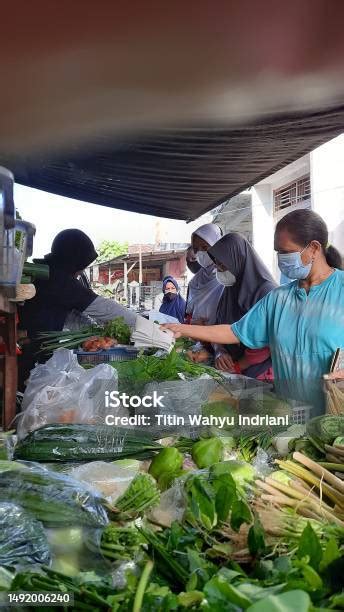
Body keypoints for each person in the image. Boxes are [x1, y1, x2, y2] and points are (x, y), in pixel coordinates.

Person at [163, 210, 344, 415]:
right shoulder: (279, 298)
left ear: (313, 248)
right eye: (278, 252)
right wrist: (182, 329)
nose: (281, 259)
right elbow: (234, 332)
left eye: (286, 252)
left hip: (335, 421)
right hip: (291, 416)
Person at [18, 229, 138, 388]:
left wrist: (95, 331)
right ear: (73, 259)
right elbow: (103, 308)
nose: (81, 271)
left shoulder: (49, 272)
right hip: (35, 359)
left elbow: (73, 315)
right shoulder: (58, 279)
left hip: (37, 354)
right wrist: (145, 325)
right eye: (82, 265)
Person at [209, 232, 277, 380]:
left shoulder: (266, 291)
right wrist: (220, 351)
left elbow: (265, 343)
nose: (219, 270)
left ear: (238, 260)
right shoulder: (229, 290)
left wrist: (238, 367)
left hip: (260, 374)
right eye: (217, 265)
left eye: (223, 265)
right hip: (232, 369)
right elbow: (217, 326)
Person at [185, 223, 224, 326]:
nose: (200, 252)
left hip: (221, 336)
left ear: (216, 244)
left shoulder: (226, 278)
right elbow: (189, 313)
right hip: (197, 337)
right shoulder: (195, 281)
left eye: (204, 247)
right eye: (196, 249)